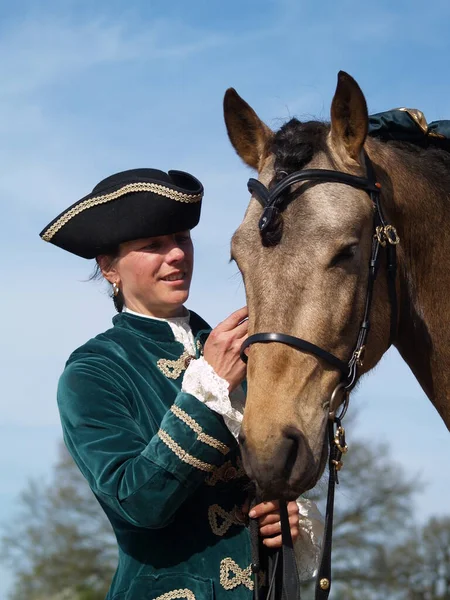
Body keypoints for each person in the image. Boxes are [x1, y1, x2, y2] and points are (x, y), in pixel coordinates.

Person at [40, 167, 323, 600]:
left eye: (182, 239)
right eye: (153, 245)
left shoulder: (238, 348)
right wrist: (209, 391)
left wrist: (283, 513)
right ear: (109, 267)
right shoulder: (94, 370)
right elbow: (136, 502)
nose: (176, 255)